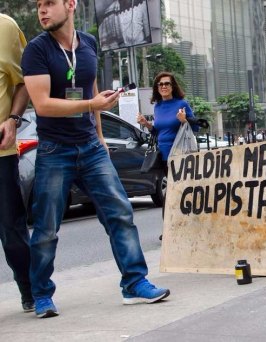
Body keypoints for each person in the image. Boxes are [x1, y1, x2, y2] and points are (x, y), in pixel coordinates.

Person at [21, 0, 169, 319]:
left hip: (89, 146)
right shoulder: (37, 50)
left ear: (70, 5)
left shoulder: (88, 43)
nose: (42, 11)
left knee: (119, 213)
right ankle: (42, 295)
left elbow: (91, 84)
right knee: (46, 228)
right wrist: (90, 104)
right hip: (54, 149)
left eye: (49, 3)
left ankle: (135, 282)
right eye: (39, 5)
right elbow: (43, 105)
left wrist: (99, 135)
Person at [0, 13, 34, 313]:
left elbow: (24, 82)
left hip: (1, 153)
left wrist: (13, 120)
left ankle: (29, 287)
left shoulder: (6, 27)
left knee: (11, 229)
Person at [136, 72, 199, 168]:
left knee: (179, 183)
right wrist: (146, 124)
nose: (163, 86)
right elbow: (158, 132)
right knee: (167, 183)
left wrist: (184, 120)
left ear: (172, 86)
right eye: (160, 84)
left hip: (180, 154)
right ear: (157, 88)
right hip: (162, 155)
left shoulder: (182, 104)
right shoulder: (158, 106)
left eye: (167, 84)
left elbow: (196, 128)